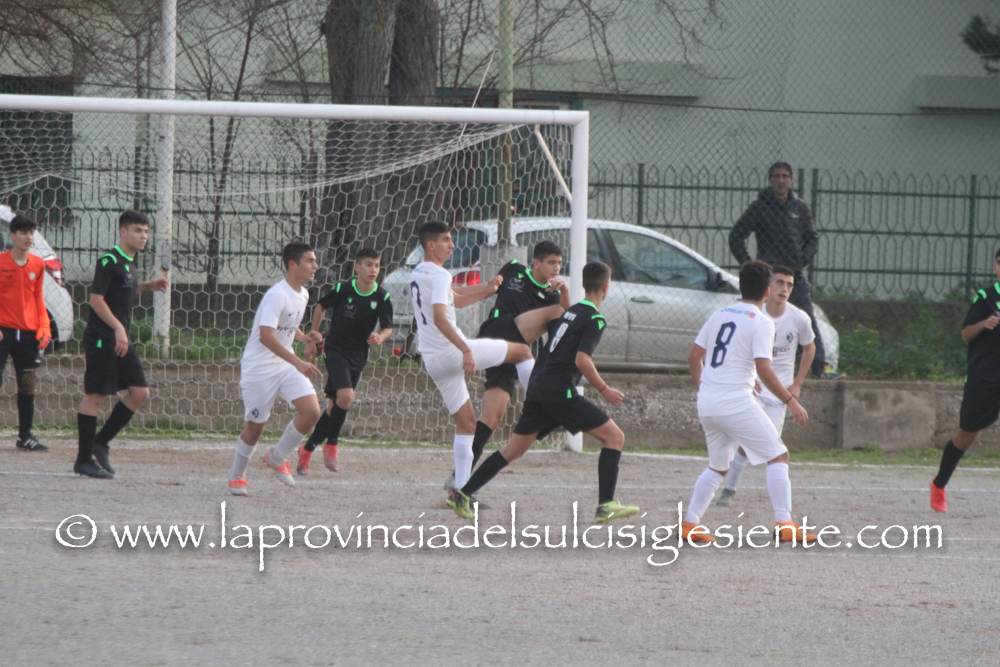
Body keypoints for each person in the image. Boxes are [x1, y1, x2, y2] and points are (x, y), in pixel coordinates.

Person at [448, 261, 639, 524]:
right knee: (615, 438)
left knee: (513, 450)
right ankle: (606, 505)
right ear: (606, 288)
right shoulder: (595, 319)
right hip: (558, 391)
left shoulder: (570, 312)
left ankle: (462, 495)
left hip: (538, 386)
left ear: (584, 284)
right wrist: (604, 389)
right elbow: (582, 359)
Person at [682, 260, 815, 544]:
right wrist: (791, 401)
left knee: (718, 467)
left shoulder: (718, 314)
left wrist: (707, 389)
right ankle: (785, 524)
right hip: (735, 403)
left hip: (708, 403)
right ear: (767, 291)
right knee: (778, 456)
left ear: (740, 287)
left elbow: (694, 358)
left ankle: (690, 523)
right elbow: (764, 369)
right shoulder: (762, 321)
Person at [409, 221, 534, 494]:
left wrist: (488, 290)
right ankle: (542, 403)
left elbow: (454, 298)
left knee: (467, 423)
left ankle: (460, 491)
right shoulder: (440, 274)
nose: (452, 245)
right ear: (431, 245)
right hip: (451, 352)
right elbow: (441, 317)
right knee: (522, 352)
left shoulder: (419, 271)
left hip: (433, 360)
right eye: (446, 240)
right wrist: (465, 349)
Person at [444, 239, 568, 491]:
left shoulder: (552, 295)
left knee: (493, 416)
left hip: (515, 352)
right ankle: (553, 402)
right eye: (551, 262)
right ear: (536, 262)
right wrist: (493, 284)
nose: (556, 268)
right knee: (554, 315)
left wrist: (564, 290)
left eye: (559, 263)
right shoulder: (513, 269)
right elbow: (491, 287)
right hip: (497, 331)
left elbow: (566, 317)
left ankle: (457, 479)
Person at [74, 211, 168, 479]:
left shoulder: (129, 263)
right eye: (138, 230)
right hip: (103, 337)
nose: (144, 236)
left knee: (140, 392)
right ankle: (83, 460)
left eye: (146, 231)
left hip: (119, 338)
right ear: (123, 232)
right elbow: (96, 299)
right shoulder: (109, 260)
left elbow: (122, 289)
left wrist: (146, 286)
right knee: (95, 396)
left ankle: (100, 442)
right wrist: (117, 327)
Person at [227, 242, 323, 496]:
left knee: (311, 411)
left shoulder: (303, 294)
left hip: (284, 363)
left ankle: (277, 456)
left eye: (314, 261)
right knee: (255, 428)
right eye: (310, 261)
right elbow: (266, 336)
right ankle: (237, 476)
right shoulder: (277, 295)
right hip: (259, 368)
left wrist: (304, 338)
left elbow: (288, 325)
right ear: (293, 265)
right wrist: (298, 362)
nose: (315, 266)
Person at [716, 265, 815, 506]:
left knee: (767, 444)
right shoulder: (754, 316)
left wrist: (797, 384)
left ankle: (777, 507)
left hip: (780, 394)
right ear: (767, 287)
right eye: (780, 283)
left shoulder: (799, 318)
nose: (784, 289)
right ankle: (730, 490)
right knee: (755, 442)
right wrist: (749, 380)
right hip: (755, 389)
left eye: (789, 285)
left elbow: (809, 348)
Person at [729, 161, 832, 378]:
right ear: (770, 179)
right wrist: (750, 265)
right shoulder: (759, 207)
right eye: (776, 176)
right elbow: (736, 235)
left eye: (785, 176)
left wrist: (801, 260)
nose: (781, 180)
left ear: (791, 180)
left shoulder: (800, 208)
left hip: (795, 276)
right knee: (760, 319)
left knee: (807, 320)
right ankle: (750, 366)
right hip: (768, 276)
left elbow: (812, 238)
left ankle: (820, 369)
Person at [297, 248, 393, 475]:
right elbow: (321, 306)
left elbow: (388, 327)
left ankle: (306, 450)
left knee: (335, 406)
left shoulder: (382, 297)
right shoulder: (344, 289)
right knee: (347, 396)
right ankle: (332, 445)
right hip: (335, 350)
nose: (373, 270)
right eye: (368, 265)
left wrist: (380, 337)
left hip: (358, 355)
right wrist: (314, 336)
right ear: (357, 267)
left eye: (377, 266)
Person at [930, 249, 1000, 513]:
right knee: (967, 435)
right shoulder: (986, 298)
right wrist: (984, 324)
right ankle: (939, 484)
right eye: (999, 263)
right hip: (984, 376)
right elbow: (965, 333)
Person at [0, 214, 52, 451]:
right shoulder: (1, 262)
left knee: (27, 384)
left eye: (31, 233)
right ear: (12, 236)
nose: (29, 237)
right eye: (23, 233)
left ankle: (25, 437)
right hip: (3, 331)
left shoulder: (38, 264)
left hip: (28, 333)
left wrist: (44, 326)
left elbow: (38, 297)